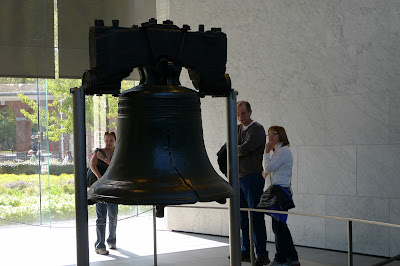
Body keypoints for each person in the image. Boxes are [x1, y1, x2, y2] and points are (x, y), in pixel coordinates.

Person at [236, 101, 270, 265]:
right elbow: (232, 147)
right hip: (240, 178)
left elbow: (245, 148)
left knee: (255, 216)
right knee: (243, 217)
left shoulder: (257, 129)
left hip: (252, 178)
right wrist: (237, 149)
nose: (241, 117)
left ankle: (262, 254)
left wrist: (236, 149)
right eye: (238, 114)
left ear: (250, 112)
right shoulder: (237, 129)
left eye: (243, 113)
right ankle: (246, 251)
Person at [262, 126, 300, 266]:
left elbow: (267, 169)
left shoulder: (283, 151)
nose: (270, 137)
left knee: (279, 227)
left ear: (281, 135)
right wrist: (267, 170)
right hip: (276, 191)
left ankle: (281, 258)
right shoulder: (277, 152)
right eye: (269, 134)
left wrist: (266, 151)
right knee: (280, 226)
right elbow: (266, 172)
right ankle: (292, 257)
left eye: (273, 134)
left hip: (280, 192)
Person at [90, 131, 118, 255]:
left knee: (113, 215)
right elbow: (92, 165)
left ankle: (111, 240)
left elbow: (116, 166)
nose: (108, 142)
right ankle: (100, 245)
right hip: (101, 187)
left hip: (113, 187)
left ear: (115, 140)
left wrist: (105, 159)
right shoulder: (98, 152)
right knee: (101, 217)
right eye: (106, 140)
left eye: (111, 140)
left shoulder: (117, 153)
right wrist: (100, 177)